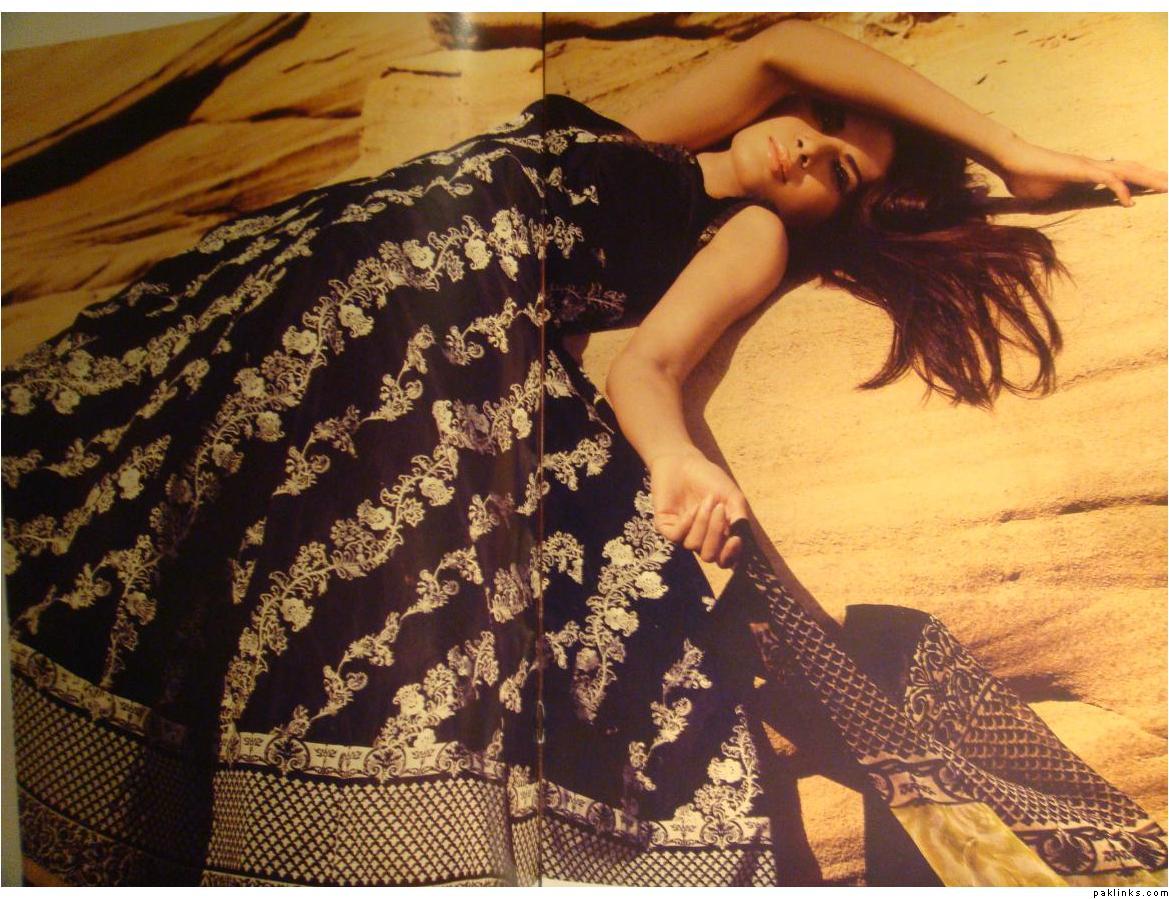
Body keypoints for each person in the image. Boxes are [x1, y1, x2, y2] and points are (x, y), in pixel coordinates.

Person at [2, 18, 1165, 888]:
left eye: (841, 173)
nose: (808, 149)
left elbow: (645, 367)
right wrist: (1010, 148)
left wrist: (678, 462)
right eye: (819, 122)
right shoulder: (637, 139)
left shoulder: (747, 231)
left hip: (412, 328)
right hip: (299, 263)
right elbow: (787, 47)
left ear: (830, 218)